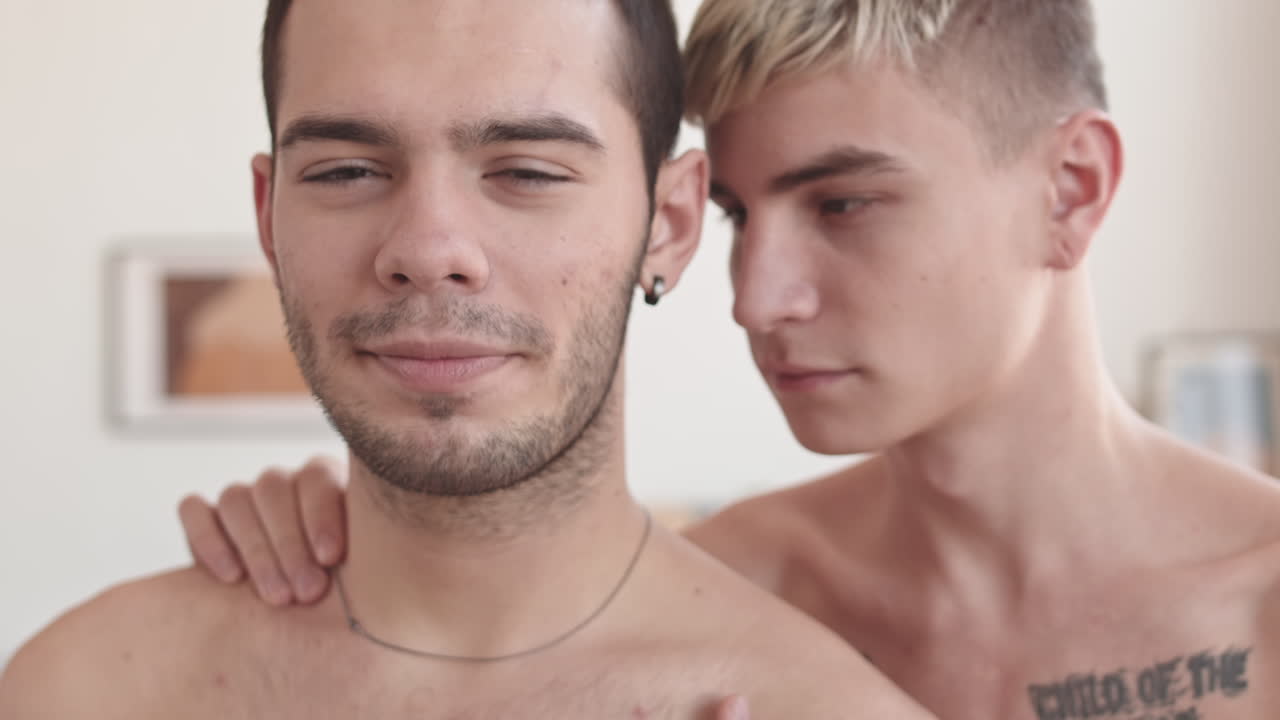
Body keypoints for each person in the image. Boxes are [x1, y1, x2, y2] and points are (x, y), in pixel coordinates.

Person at [178, 0, 1280, 718]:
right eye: (742, 216)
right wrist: (346, 536)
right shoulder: (733, 586)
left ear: (1071, 190)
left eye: (843, 203)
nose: (755, 298)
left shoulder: (1258, 608)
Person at [0, 1, 934, 717]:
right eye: (346, 171)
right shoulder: (82, 690)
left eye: (526, 172)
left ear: (669, 223)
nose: (428, 248)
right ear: (269, 215)